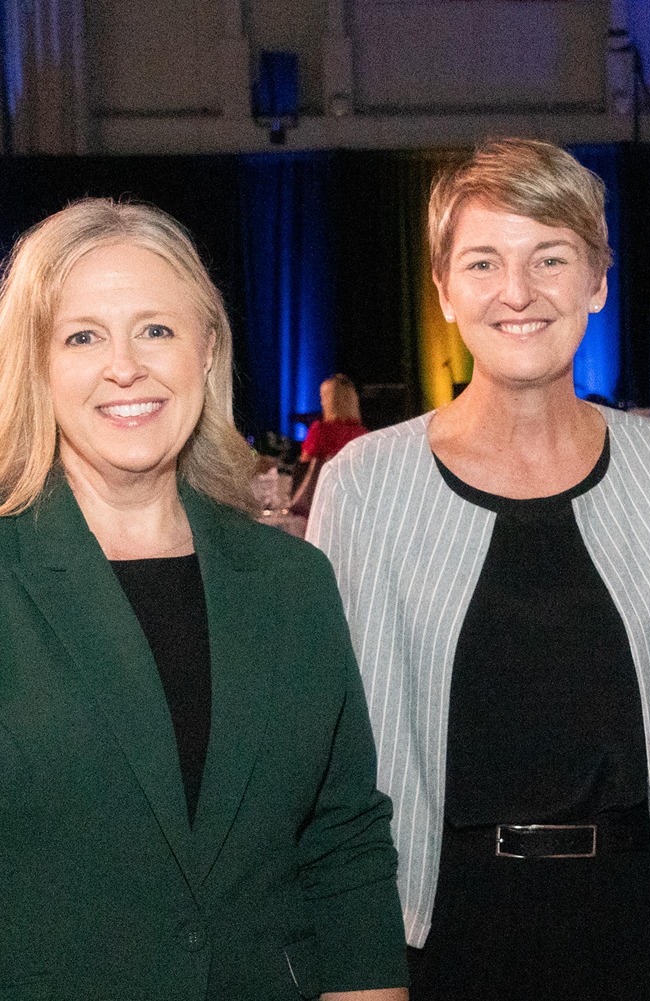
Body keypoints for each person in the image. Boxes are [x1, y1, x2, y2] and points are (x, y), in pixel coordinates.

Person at [307, 138, 650, 999]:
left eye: (551, 258)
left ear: (597, 282)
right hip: (438, 931)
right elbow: (330, 750)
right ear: (445, 291)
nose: (517, 291)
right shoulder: (363, 486)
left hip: (637, 928)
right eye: (483, 261)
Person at [0, 198, 408, 1000]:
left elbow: (343, 842)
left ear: (208, 348)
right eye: (83, 335)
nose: (127, 365)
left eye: (156, 329)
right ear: (36, 365)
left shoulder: (293, 583)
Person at [291, 374, 368, 517]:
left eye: (323, 396)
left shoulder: (320, 430)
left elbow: (304, 464)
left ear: (331, 400)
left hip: (322, 506)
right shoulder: (363, 434)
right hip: (352, 506)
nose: (321, 401)